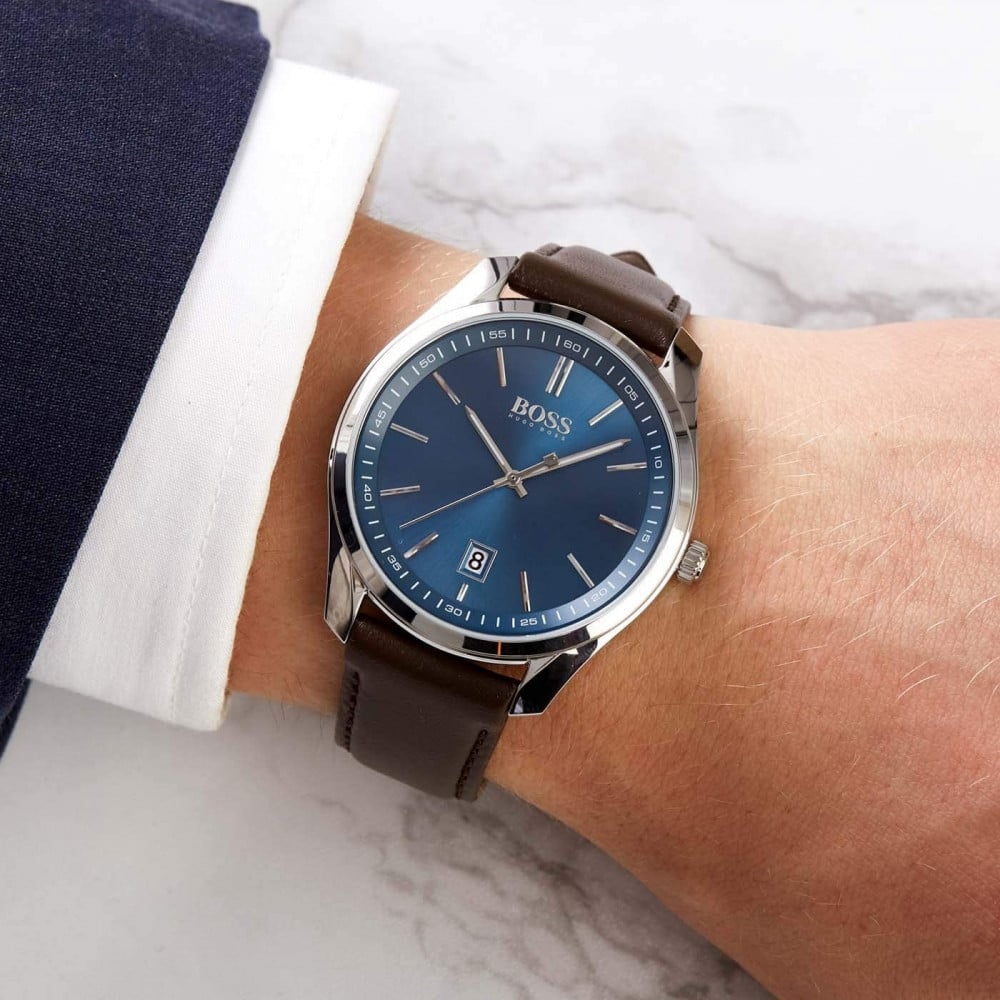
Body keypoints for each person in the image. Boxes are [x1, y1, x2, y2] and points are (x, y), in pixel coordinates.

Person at [2, 4, 997, 998]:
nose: (516, 481)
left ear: (678, 551)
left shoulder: (611, 557)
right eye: (517, 471)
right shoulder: (430, 408)